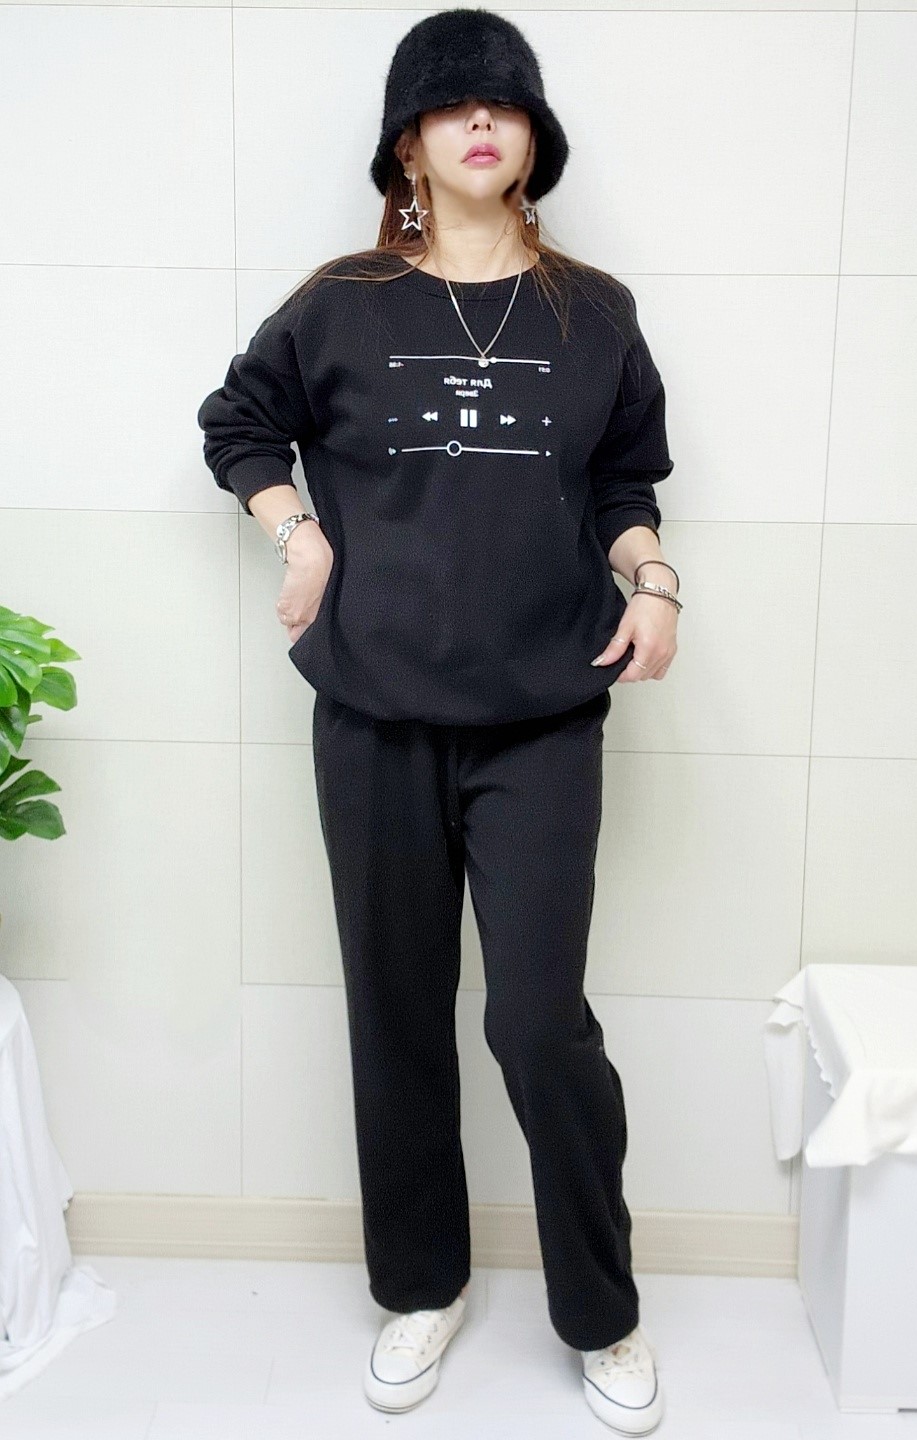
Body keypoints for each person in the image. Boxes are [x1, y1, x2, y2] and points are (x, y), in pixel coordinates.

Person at [197, 8, 679, 1434]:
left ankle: (602, 1310)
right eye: (452, 107)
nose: (480, 124)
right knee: (396, 1010)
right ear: (407, 145)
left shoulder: (595, 311)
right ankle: (421, 1285)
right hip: (374, 710)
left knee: (536, 1022)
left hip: (543, 712)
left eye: (503, 106)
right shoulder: (340, 301)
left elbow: (627, 480)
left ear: (533, 141)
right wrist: (296, 533)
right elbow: (238, 422)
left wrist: (653, 578)